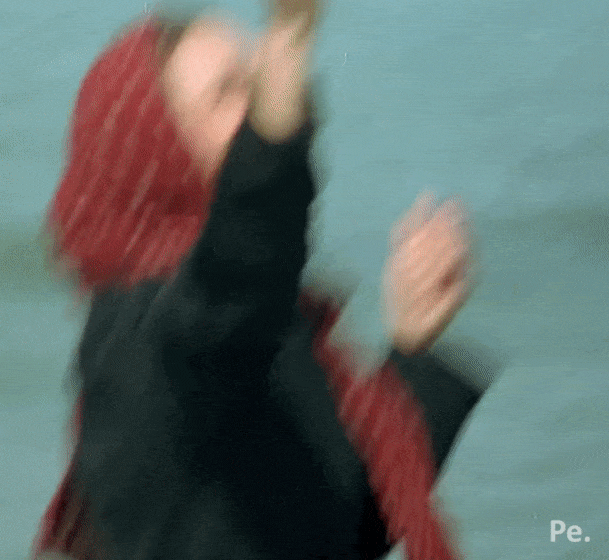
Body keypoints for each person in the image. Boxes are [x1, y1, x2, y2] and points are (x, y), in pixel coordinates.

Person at [33, 2, 495, 558]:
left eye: (259, 76)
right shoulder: (148, 330)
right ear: (158, 152)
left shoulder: (269, 325)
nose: (261, 101)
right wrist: (290, 38)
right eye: (226, 92)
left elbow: (339, 530)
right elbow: (247, 249)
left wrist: (412, 345)